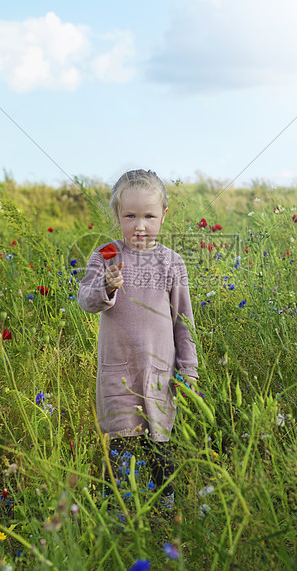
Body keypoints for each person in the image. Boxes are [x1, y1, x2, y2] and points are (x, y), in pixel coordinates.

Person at [77, 169, 198, 511]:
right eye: (130, 216)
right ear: (117, 215)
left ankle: (164, 511)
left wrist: (189, 370)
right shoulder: (105, 256)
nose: (139, 225)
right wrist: (107, 287)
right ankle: (117, 512)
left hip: (160, 374)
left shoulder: (172, 262)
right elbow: (86, 301)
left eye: (149, 215)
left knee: (160, 445)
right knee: (121, 448)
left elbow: (183, 322)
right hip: (119, 373)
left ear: (164, 215)